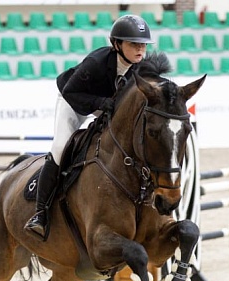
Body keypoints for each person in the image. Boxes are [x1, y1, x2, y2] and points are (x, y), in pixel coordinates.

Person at [24, 14, 154, 239]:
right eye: (134, 44)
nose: (140, 50)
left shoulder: (139, 69)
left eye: (142, 44)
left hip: (105, 106)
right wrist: (101, 104)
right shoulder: (96, 62)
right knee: (60, 148)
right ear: (117, 44)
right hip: (74, 102)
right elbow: (71, 92)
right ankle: (40, 214)